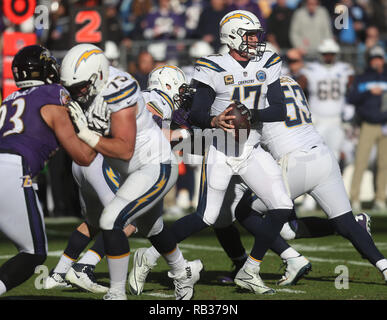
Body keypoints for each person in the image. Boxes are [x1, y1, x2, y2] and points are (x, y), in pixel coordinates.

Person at [130, 10, 295, 295]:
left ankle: (250, 270)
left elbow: (279, 109)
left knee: (282, 207)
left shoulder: (268, 61)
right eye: (250, 35)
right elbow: (195, 114)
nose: (256, 40)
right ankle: (149, 255)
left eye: (257, 34)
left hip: (250, 147)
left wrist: (250, 114)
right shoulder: (213, 66)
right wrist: (215, 121)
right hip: (221, 148)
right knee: (206, 217)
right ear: (233, 36)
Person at [60, 46, 202, 300]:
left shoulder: (129, 91)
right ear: (169, 85)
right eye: (180, 90)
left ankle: (110, 289)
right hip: (136, 166)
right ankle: (183, 273)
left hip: (150, 166)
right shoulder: (153, 100)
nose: (183, 97)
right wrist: (186, 135)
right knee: (153, 228)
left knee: (114, 220)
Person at [0, 45, 96, 296]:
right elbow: (82, 156)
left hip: (7, 162)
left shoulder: (9, 99)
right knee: (34, 253)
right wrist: (94, 135)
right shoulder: (53, 93)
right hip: (13, 168)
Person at [297, 38, 354, 211]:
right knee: (314, 159)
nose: (328, 57)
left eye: (331, 54)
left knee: (334, 159)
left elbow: (353, 89)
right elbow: (297, 88)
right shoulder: (311, 70)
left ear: (335, 54)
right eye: (325, 54)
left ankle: (333, 200)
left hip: (336, 120)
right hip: (317, 120)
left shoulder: (344, 70)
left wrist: (349, 106)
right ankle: (310, 200)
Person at [348, 46, 387, 212]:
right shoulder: (362, 78)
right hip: (367, 124)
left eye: (379, 58)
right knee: (361, 162)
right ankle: (354, 197)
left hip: (385, 125)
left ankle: (380, 198)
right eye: (373, 58)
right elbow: (352, 98)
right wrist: (369, 92)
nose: (376, 61)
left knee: (383, 164)